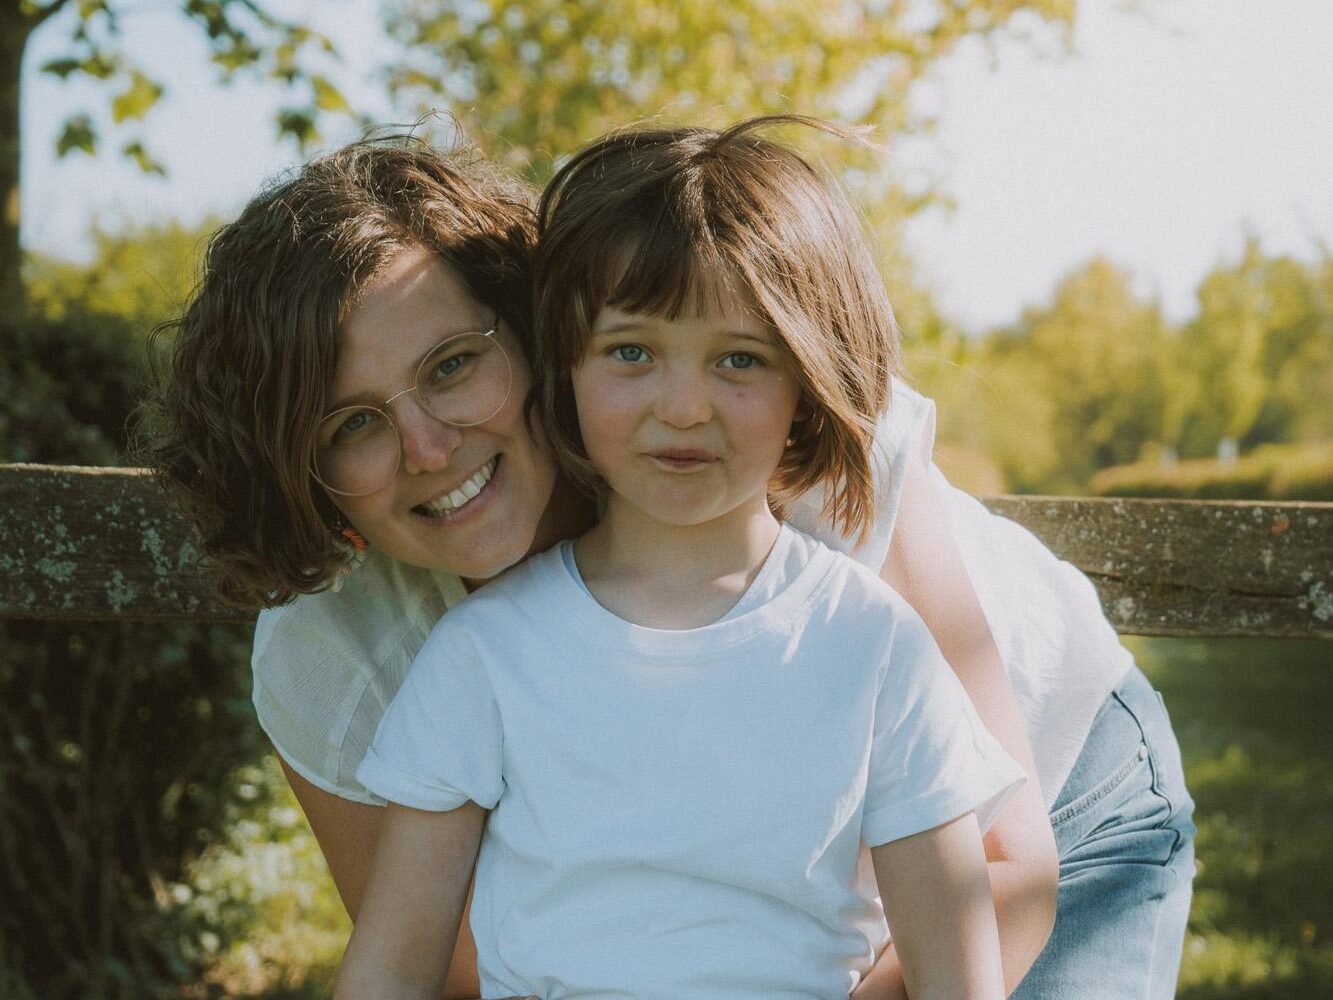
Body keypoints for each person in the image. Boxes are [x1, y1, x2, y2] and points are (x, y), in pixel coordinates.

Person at [144, 120, 1194, 1000]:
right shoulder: (345, 650)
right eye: (352, 425)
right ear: (298, 470)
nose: (428, 446)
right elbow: (455, 965)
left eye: (453, 365)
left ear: (535, 335)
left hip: (1049, 806)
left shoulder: (774, 449)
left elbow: (999, 875)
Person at [335, 117, 1028, 1000]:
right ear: (563, 369)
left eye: (739, 359)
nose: (685, 406)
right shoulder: (484, 656)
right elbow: (391, 971)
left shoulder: (874, 648)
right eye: (631, 352)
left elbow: (958, 981)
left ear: (806, 387)